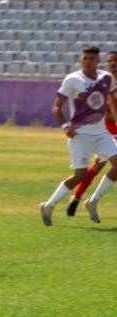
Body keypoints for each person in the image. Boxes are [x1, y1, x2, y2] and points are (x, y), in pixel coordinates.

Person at [40, 46, 117, 226]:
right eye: (85, 58)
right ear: (81, 59)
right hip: (80, 134)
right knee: (80, 175)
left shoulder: (107, 78)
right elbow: (56, 107)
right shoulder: (72, 80)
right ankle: (48, 205)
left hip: (101, 133)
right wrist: (65, 126)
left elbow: (111, 98)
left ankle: (93, 201)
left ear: (98, 62)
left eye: (92, 59)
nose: (88, 61)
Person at [66, 50, 117, 216]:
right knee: (97, 167)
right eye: (110, 61)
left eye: (116, 60)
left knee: (101, 167)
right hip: (104, 128)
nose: (113, 63)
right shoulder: (102, 82)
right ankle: (79, 198)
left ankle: (85, 199)